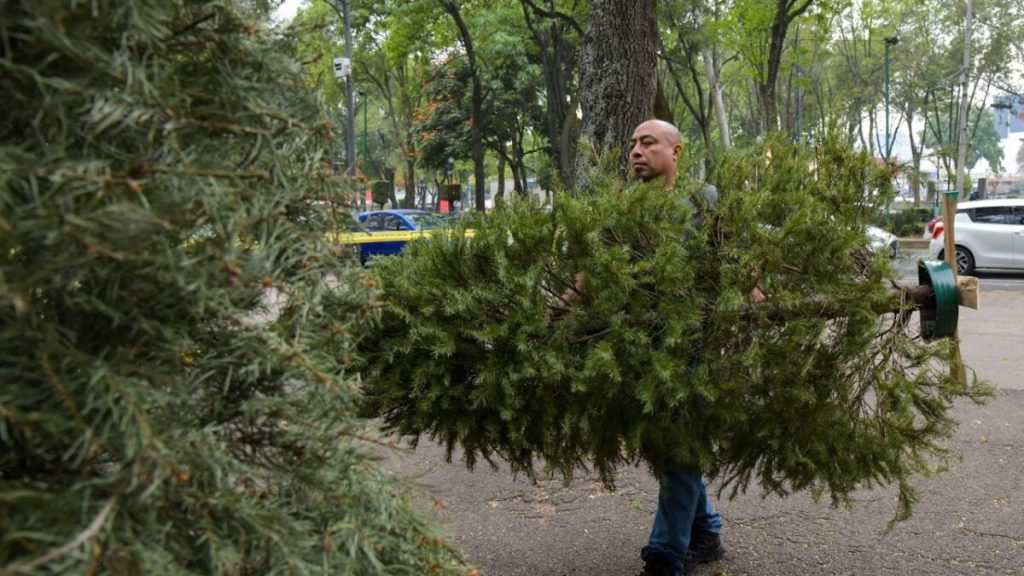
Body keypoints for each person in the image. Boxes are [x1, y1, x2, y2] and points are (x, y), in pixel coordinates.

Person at [626, 119, 727, 576]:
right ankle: (704, 531)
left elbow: (730, 253)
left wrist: (761, 303)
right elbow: (597, 262)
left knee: (680, 444)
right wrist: (566, 302)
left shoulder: (701, 199)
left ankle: (666, 554)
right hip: (646, 346)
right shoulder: (628, 204)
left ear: (676, 152)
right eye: (633, 145)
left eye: (648, 143)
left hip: (693, 344)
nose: (636, 151)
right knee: (673, 442)